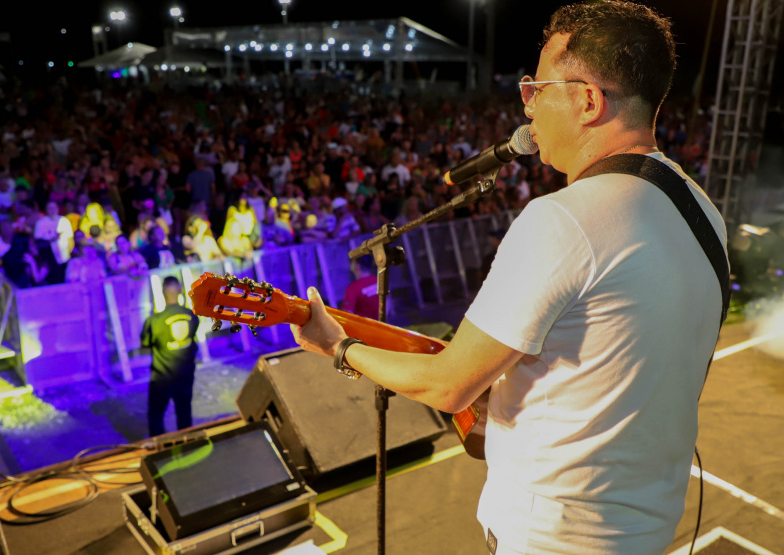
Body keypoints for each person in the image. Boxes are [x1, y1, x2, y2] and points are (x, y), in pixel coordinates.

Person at [291, 3, 727, 553]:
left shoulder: (565, 219)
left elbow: (448, 385)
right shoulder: (700, 208)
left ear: (588, 101)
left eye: (536, 88)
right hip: (647, 528)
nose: (527, 105)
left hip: (552, 538)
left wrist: (338, 347)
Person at [140, 276, 199, 437]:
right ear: (180, 290)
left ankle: (160, 447)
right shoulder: (191, 315)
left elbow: (145, 343)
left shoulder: (154, 321)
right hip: (185, 374)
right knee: (184, 413)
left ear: (162, 292)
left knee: (156, 415)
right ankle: (186, 444)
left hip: (162, 377)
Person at [340, 254, 378, 320]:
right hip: (379, 323)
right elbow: (387, 302)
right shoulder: (378, 280)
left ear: (357, 266)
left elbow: (347, 314)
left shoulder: (353, 288)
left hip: (362, 325)